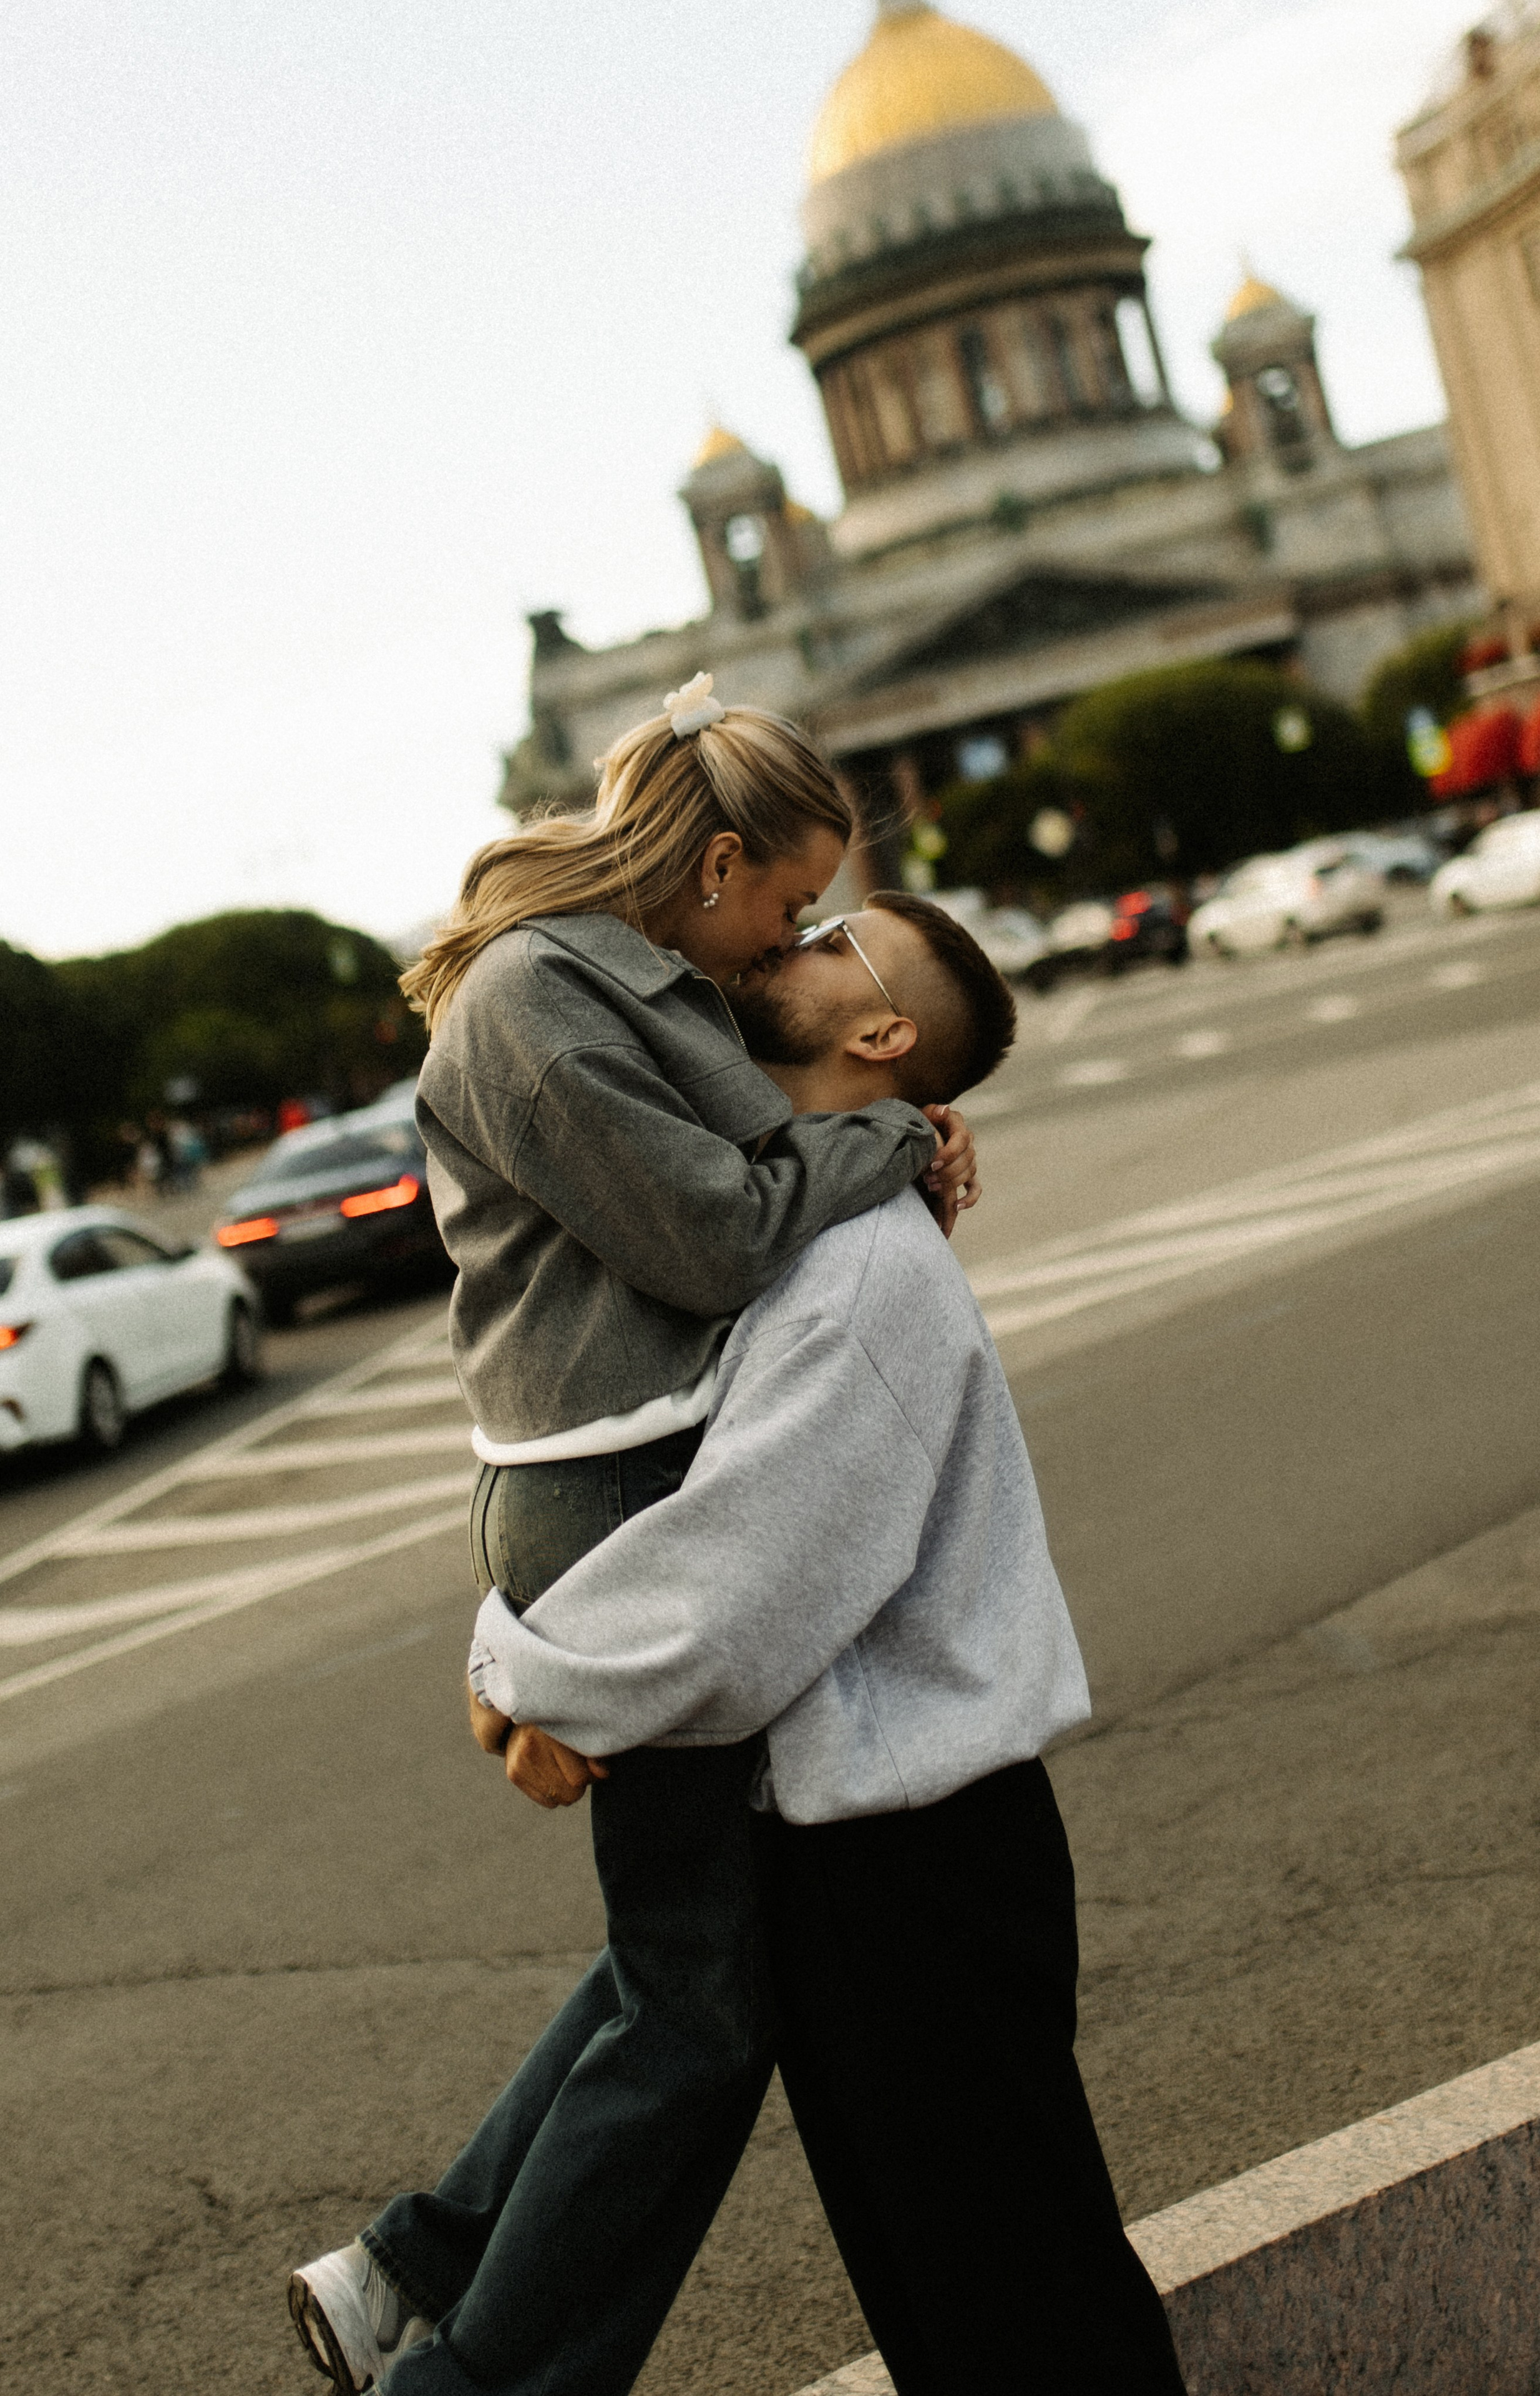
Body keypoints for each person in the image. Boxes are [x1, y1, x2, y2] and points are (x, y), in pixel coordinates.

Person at [288, 676, 980, 2395]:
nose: (794, 933)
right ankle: (468, 2369)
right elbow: (709, 1237)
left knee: (683, 1965)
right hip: (608, 1485)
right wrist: (887, 1138)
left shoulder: (653, 979)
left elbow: (769, 1148)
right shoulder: (538, 994)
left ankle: (409, 2268)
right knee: (698, 2007)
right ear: (722, 857)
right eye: (793, 897)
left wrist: (883, 1128)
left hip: (640, 1472)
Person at [467, 894, 1188, 2396]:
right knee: (959, 2296)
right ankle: (418, 2265)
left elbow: (748, 1572)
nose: (781, 936)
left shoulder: (861, 1273)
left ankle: (424, 2285)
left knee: (1017, 2302)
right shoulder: (793, 1224)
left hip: (912, 1865)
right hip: (871, 1852)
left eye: (830, 932)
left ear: (879, 1033)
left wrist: (524, 1674)